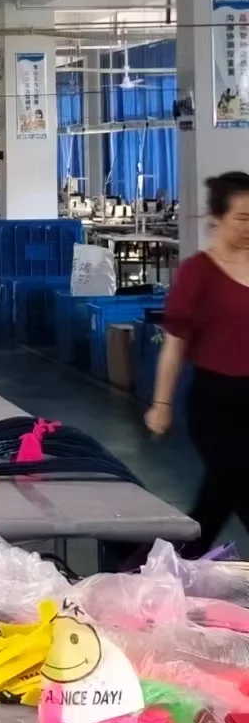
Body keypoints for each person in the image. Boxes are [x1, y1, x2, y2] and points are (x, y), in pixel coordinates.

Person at [147, 172, 249, 555]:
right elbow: (174, 344)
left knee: (214, 504)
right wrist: (161, 404)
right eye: (242, 217)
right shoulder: (199, 271)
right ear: (218, 218)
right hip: (216, 405)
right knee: (240, 486)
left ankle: (169, 567)